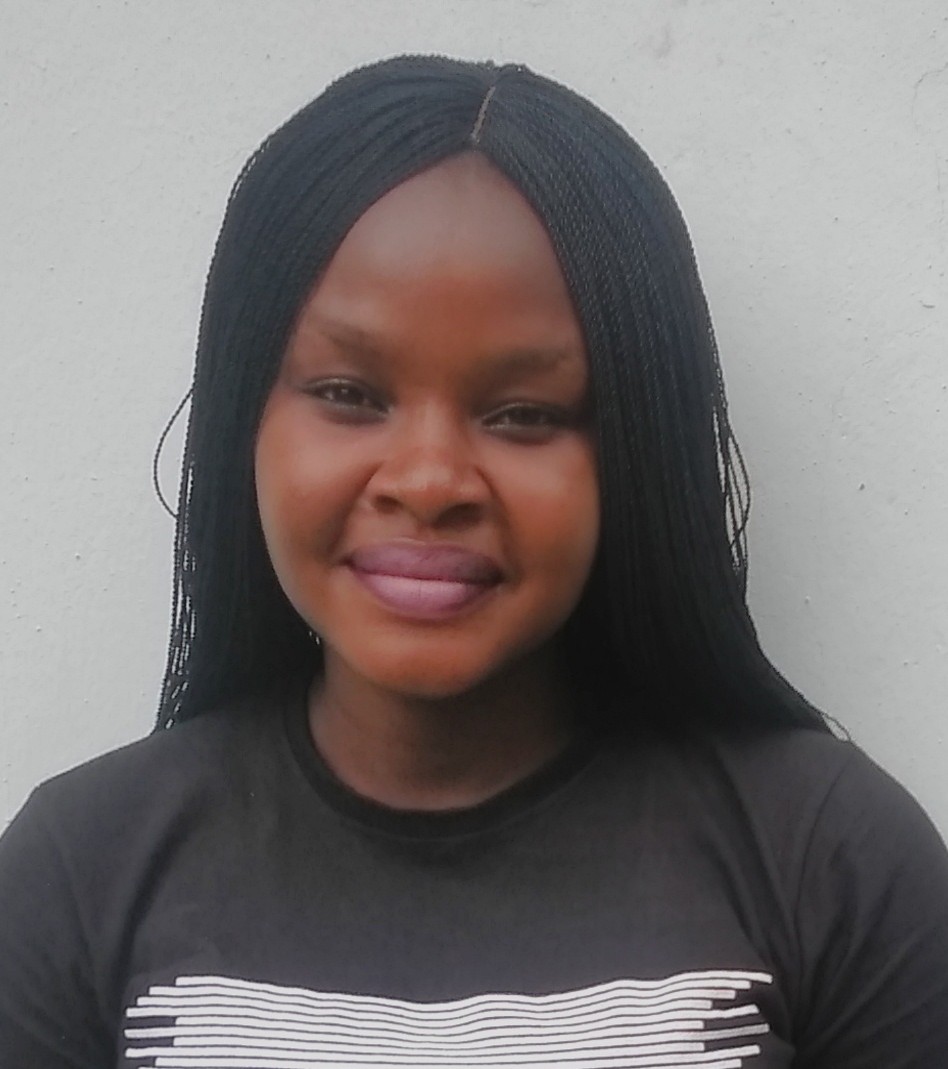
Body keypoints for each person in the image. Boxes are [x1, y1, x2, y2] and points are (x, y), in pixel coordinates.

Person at [1, 54, 946, 1069]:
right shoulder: (80, 869)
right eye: (349, 394)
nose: (430, 479)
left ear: (637, 448)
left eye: (526, 413)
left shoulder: (829, 857)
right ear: (246, 418)